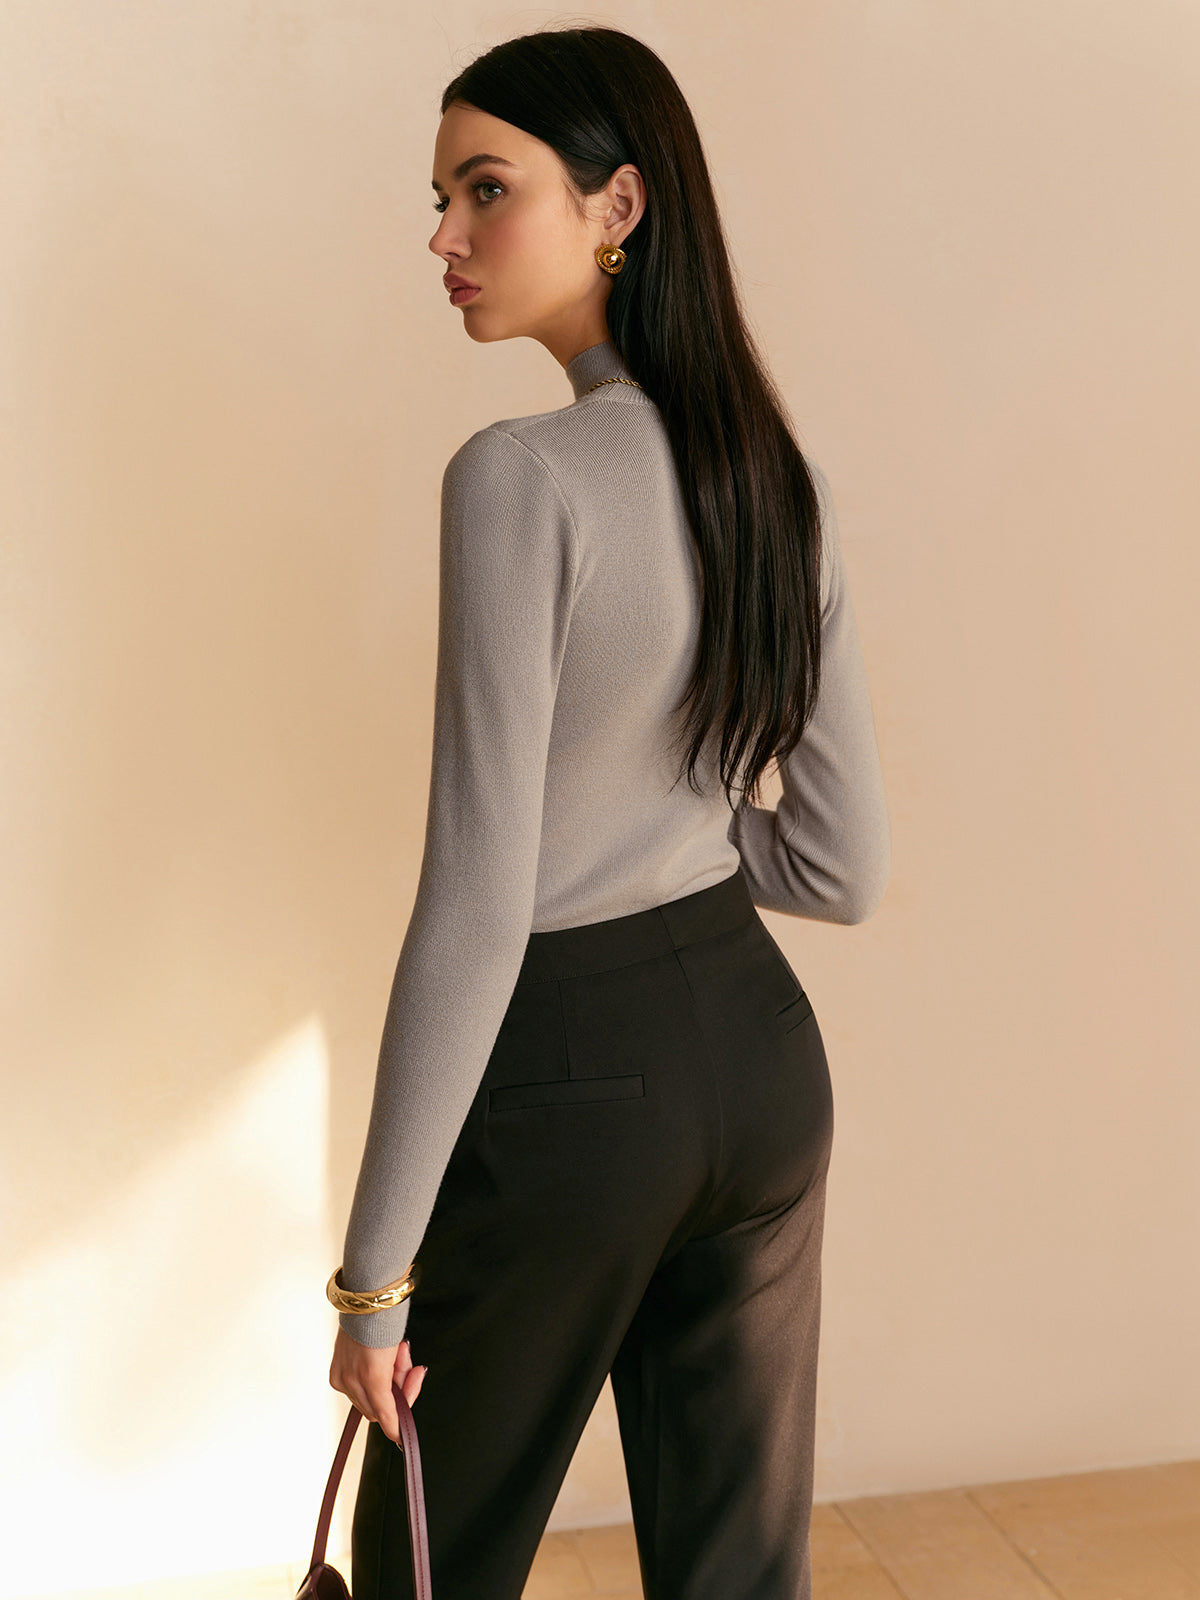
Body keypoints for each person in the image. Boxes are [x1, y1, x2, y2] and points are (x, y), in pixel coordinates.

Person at [327, 23, 890, 1600]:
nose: (445, 236)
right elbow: (842, 863)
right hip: (762, 1061)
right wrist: (686, 829)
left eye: (485, 189)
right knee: (737, 1573)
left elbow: (476, 901)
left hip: (574, 1079)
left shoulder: (519, 477)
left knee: (426, 1561)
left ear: (618, 205)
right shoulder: (777, 473)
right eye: (442, 199)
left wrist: (372, 1280)